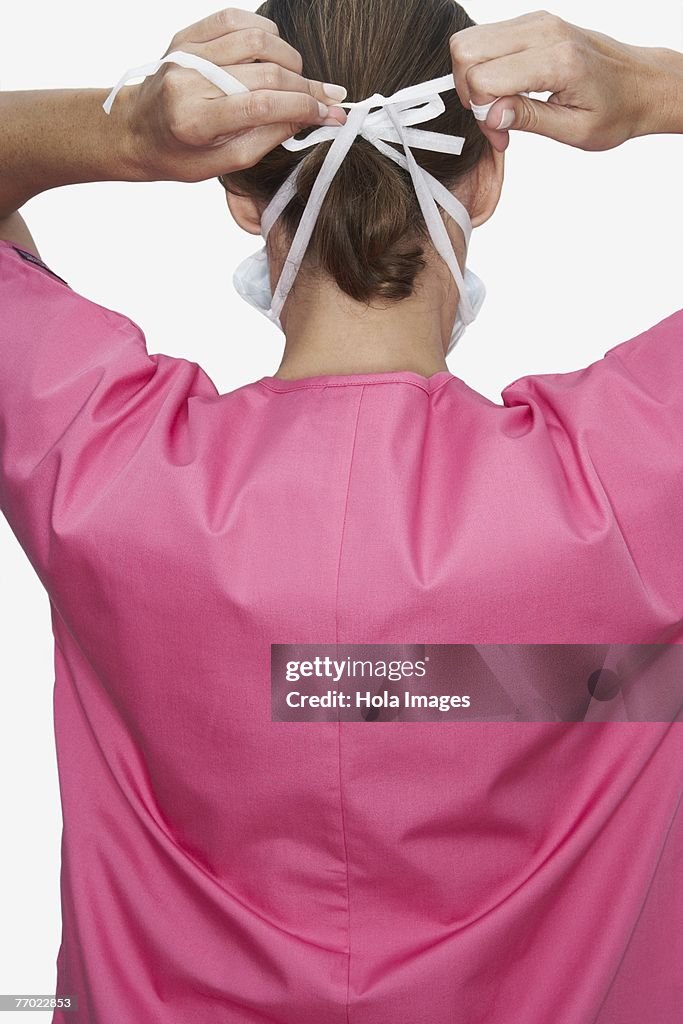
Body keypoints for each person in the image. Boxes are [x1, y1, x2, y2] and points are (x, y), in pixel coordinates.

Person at [0, 2, 681, 1022]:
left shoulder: (102, 465)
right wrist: (658, 92)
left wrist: (124, 132)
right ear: (484, 178)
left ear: (236, 194)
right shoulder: (631, 478)